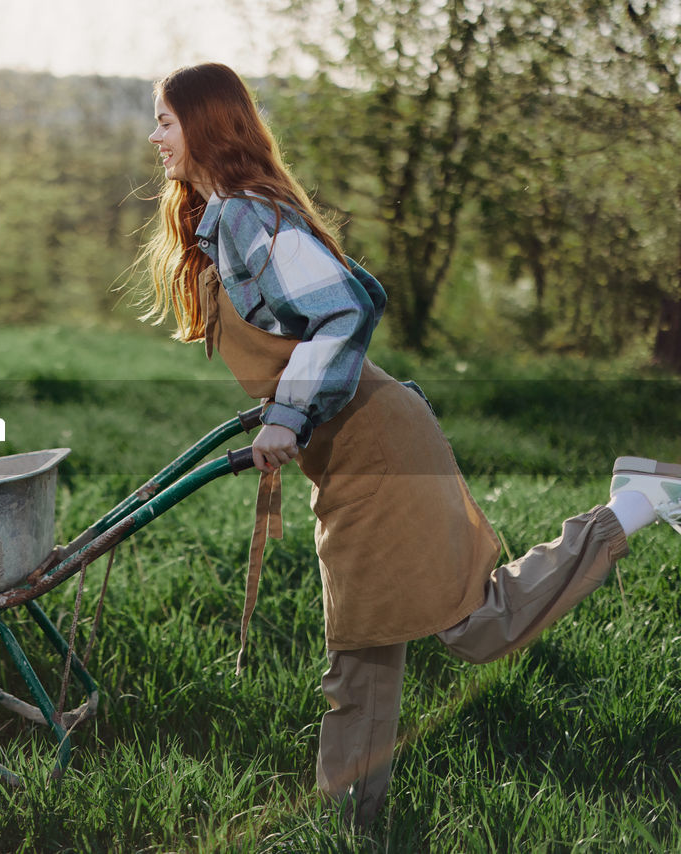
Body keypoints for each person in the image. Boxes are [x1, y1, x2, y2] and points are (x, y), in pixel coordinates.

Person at [138, 61, 681, 826]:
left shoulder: (245, 215)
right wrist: (281, 411)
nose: (154, 136)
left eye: (164, 119)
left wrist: (287, 416)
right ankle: (350, 821)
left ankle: (346, 825)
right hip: (362, 444)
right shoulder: (224, 216)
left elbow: (347, 307)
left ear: (205, 123)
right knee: (396, 638)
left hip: (375, 445)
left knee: (442, 631)